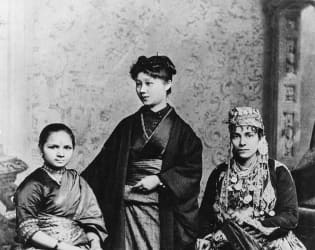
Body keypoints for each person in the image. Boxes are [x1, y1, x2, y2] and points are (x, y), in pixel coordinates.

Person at [81, 55, 203, 250]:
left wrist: (160, 179)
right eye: (138, 84)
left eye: (149, 83)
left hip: (159, 211)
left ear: (167, 83)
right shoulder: (127, 126)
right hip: (125, 210)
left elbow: (191, 170)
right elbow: (101, 168)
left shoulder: (183, 133)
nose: (142, 90)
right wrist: (72, 186)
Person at [197, 107, 305, 250]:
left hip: (270, 243)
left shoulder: (278, 172)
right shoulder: (220, 173)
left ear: (260, 137)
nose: (242, 142)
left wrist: (250, 221)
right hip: (227, 242)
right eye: (236, 136)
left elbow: (290, 217)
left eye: (249, 135)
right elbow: (205, 216)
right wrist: (207, 237)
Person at [15, 123, 108, 250]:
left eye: (67, 148)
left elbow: (91, 220)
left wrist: (95, 244)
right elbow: (27, 229)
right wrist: (63, 247)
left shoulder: (77, 181)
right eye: (53, 147)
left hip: (82, 245)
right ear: (41, 149)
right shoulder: (31, 185)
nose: (61, 153)